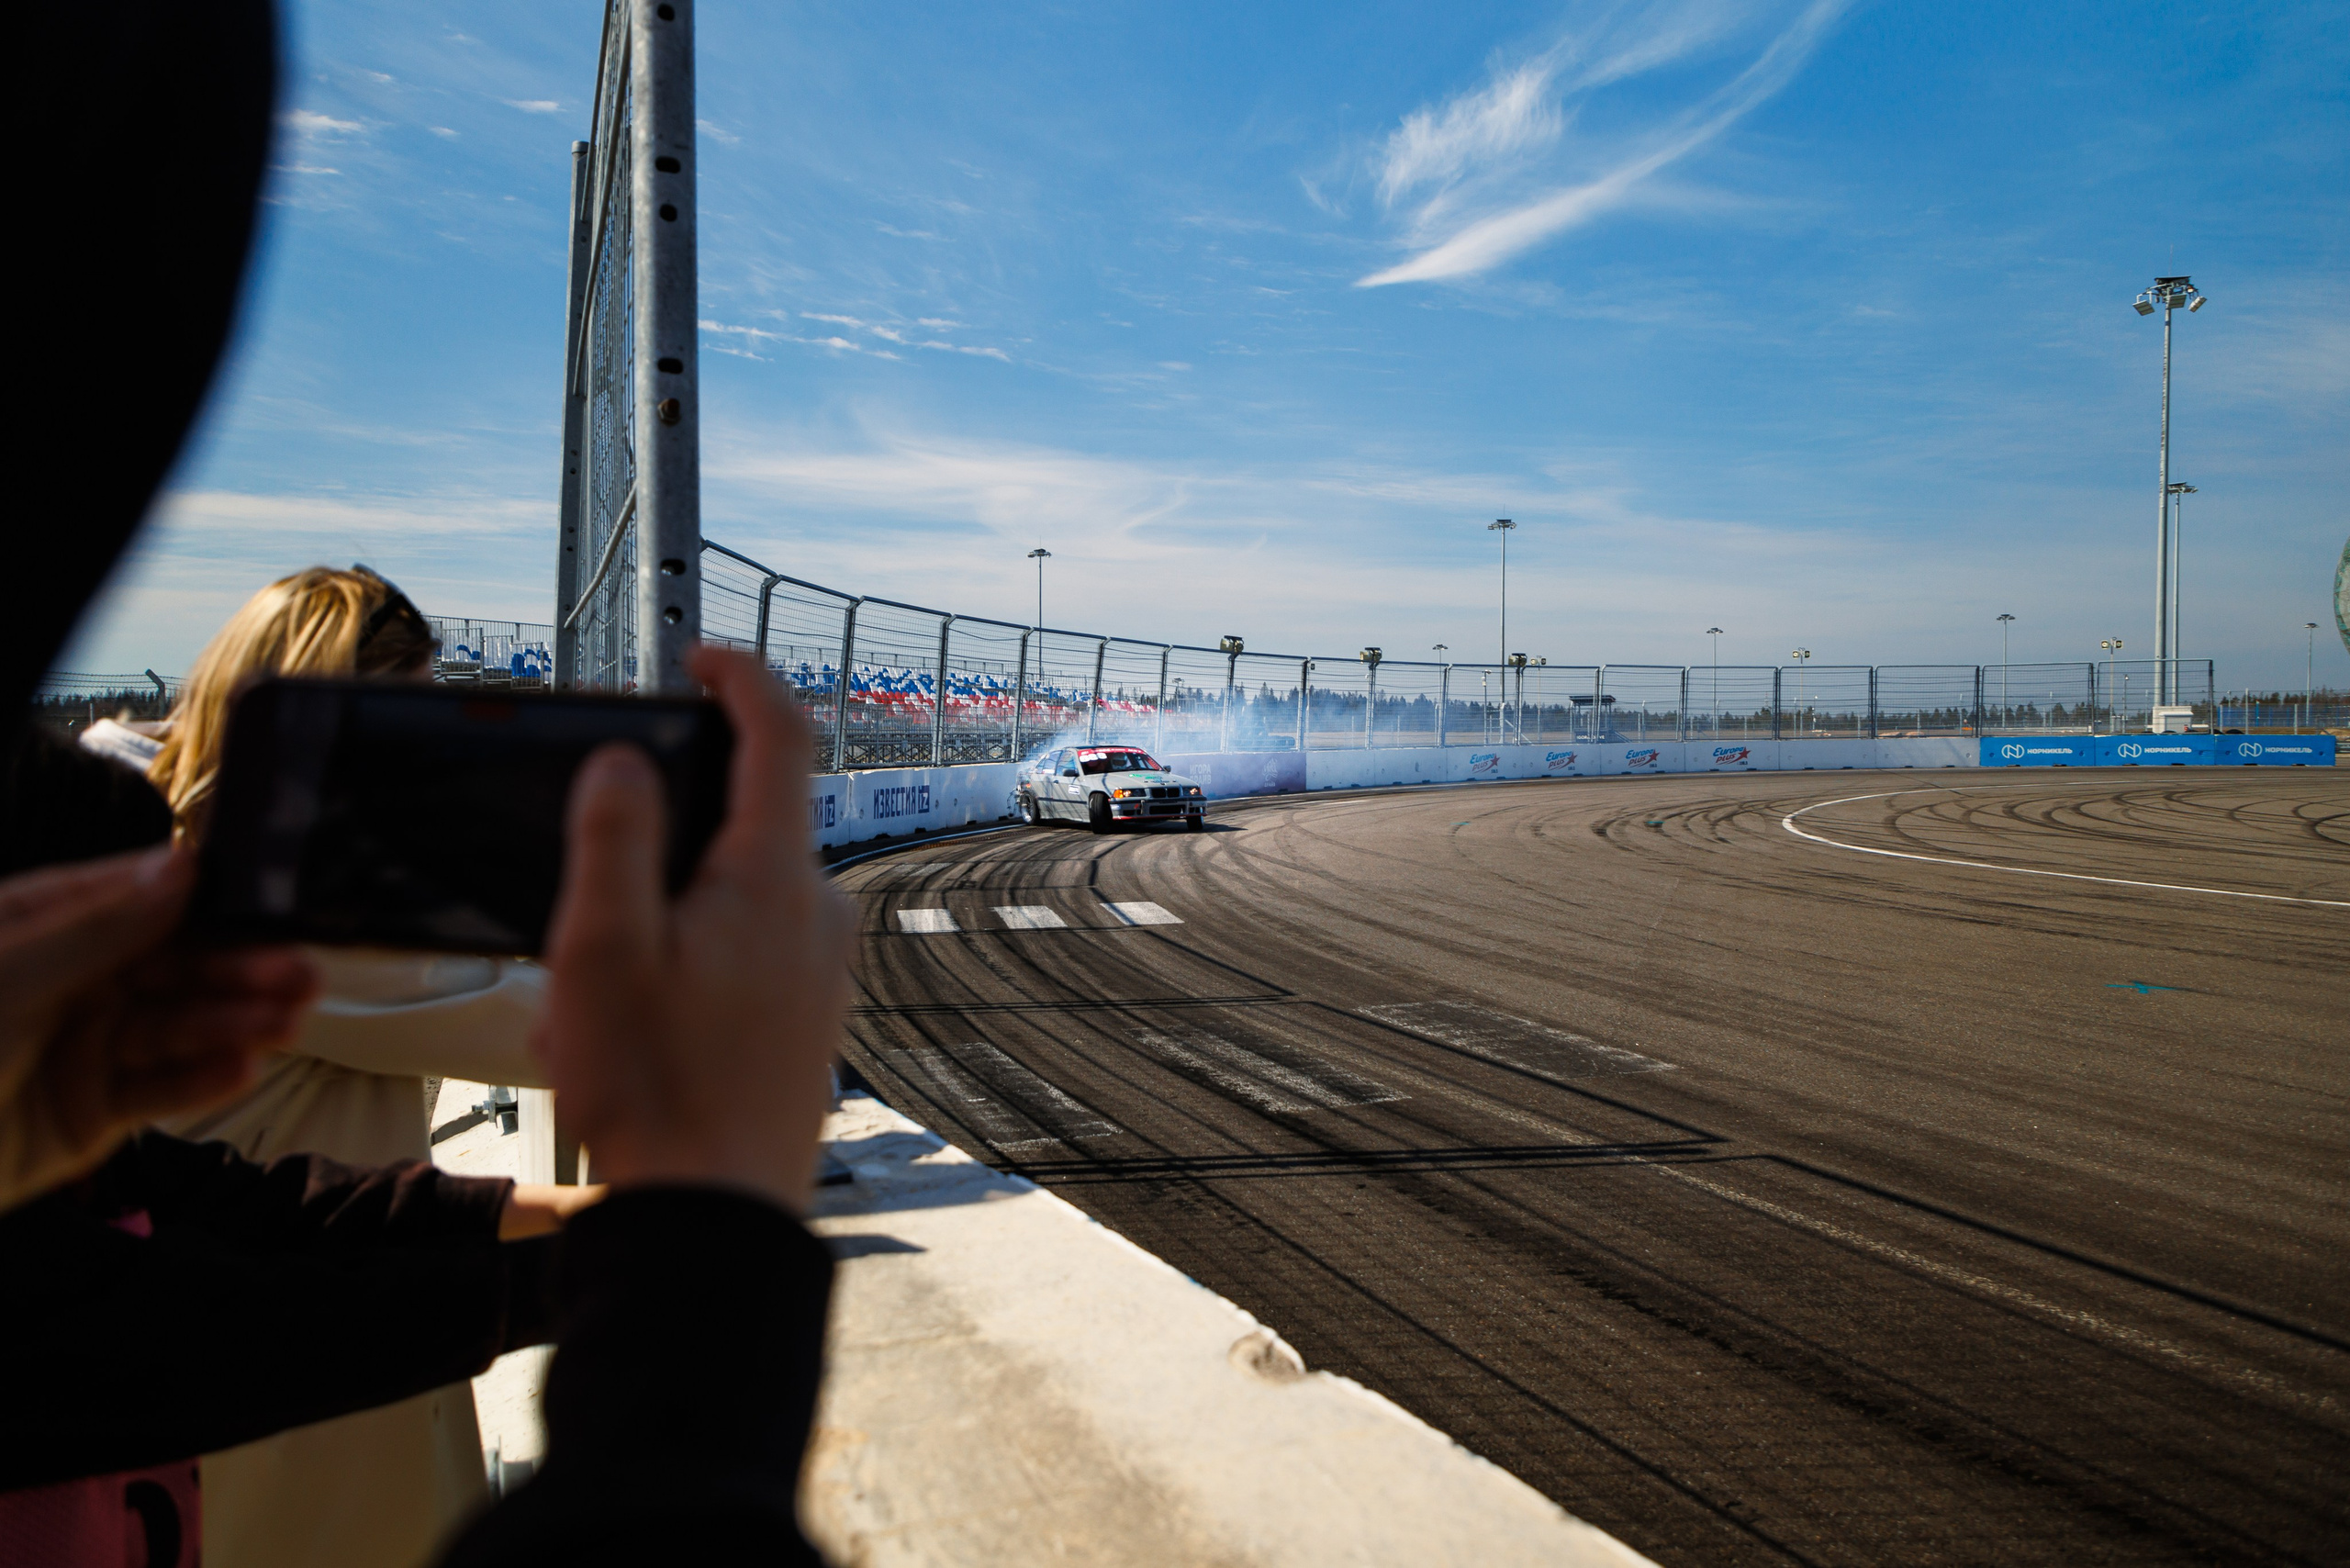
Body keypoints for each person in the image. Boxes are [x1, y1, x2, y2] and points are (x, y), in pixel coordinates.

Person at [144, 565, 576, 1568]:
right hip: (294, 1372)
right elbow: (552, 1026)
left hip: (257, 1331)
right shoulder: (276, 899)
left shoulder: (184, 849)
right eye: (400, 724)